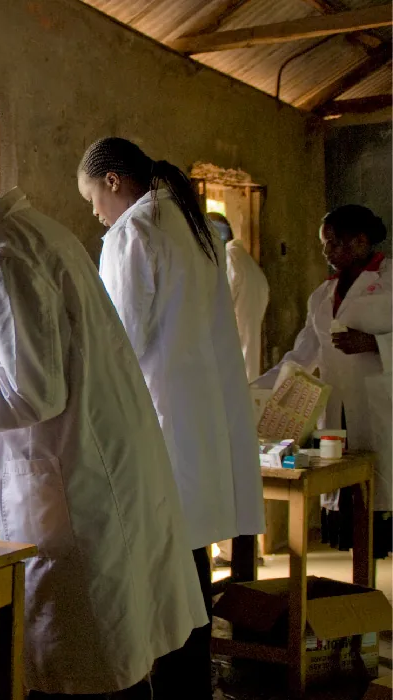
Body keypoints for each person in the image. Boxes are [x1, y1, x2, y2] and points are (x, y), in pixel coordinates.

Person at [0, 118, 207, 699]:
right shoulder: (33, 234)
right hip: (92, 463)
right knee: (109, 654)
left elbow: (34, 393)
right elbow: (44, 363)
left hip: (78, 484)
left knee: (88, 659)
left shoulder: (6, 259)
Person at [77, 137, 264, 697]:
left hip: (157, 425)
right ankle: (190, 689)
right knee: (191, 570)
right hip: (196, 423)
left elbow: (119, 343)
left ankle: (174, 690)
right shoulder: (191, 224)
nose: (95, 213)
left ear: (113, 181)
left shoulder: (134, 231)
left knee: (162, 580)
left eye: (92, 199)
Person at [256, 205, 391, 559]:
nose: (326, 252)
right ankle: (360, 597)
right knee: (354, 499)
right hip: (339, 414)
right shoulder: (321, 296)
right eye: (324, 245)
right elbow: (301, 357)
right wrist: (255, 390)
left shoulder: (390, 281)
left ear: (361, 241)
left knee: (384, 489)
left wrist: (375, 344)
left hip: (382, 406)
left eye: (333, 243)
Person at [209, 212, 270, 381]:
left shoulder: (231, 261)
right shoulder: (247, 263)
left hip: (233, 354)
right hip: (246, 352)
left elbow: (217, 306)